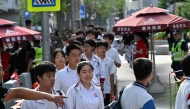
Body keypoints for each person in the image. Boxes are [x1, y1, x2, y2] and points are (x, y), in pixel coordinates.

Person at [0, 63, 67, 109]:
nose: (52, 78)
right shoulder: (28, 100)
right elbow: (18, 92)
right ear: (39, 77)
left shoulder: (60, 94)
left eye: (53, 75)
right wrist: (48, 96)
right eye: (48, 76)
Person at [96, 41, 116, 106]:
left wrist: (112, 89)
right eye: (100, 48)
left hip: (106, 89)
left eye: (104, 48)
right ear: (97, 49)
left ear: (107, 49)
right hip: (95, 88)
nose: (102, 50)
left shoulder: (110, 61)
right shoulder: (93, 60)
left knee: (106, 106)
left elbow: (112, 75)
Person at [103, 33, 121, 99]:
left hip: (112, 78)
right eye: (104, 38)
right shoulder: (99, 50)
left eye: (106, 39)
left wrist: (112, 61)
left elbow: (119, 65)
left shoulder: (114, 51)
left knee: (113, 97)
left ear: (111, 40)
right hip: (102, 79)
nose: (105, 40)